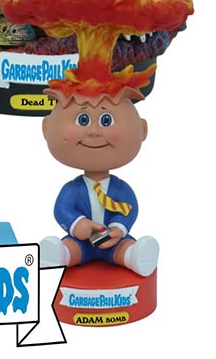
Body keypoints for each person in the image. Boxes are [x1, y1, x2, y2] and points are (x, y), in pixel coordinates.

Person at [38, 85, 159, 277]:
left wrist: (118, 228)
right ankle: (58, 256)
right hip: (81, 242)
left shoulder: (121, 190)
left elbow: (129, 209)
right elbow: (62, 209)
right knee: (70, 247)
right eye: (83, 120)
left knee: (125, 247)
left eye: (106, 120)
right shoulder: (72, 190)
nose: (94, 131)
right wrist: (78, 225)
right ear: (46, 128)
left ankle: (135, 256)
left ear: (142, 129)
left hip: (114, 242)